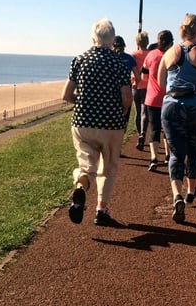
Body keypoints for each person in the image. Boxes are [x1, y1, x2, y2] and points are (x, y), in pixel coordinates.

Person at [62, 18, 133, 226]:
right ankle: (101, 210)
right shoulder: (119, 62)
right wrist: (118, 112)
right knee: (108, 167)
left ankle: (81, 188)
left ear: (93, 37)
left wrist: (83, 103)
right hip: (111, 124)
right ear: (112, 39)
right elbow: (127, 98)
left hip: (82, 121)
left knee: (86, 165)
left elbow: (66, 94)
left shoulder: (79, 59)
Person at [158, 14, 196, 222]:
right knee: (193, 150)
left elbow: (160, 81)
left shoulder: (169, 52)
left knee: (176, 153)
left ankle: (176, 194)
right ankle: (190, 191)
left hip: (171, 107)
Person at [142, 30, 173, 171]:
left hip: (152, 97)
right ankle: (168, 156)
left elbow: (144, 77)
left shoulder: (151, 55)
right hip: (169, 97)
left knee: (154, 128)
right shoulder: (173, 56)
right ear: (171, 42)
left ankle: (154, 159)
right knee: (167, 129)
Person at [113, 35, 139, 124]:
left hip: (112, 90)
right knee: (124, 116)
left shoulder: (109, 58)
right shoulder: (129, 58)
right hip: (126, 89)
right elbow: (137, 76)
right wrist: (135, 84)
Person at [132, 32, 150, 150]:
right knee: (145, 112)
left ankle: (139, 134)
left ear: (137, 42)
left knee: (138, 112)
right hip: (148, 86)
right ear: (147, 42)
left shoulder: (133, 55)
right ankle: (143, 132)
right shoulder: (151, 54)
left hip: (135, 85)